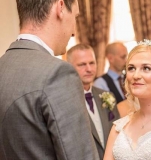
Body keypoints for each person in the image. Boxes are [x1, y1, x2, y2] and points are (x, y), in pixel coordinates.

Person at [0, 0, 99, 160]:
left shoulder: (3, 66)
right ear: (60, 7)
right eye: (75, 16)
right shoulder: (58, 73)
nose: (74, 32)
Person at [67, 43, 119, 159]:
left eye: (92, 63)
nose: (89, 69)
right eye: (82, 64)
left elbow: (118, 133)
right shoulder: (65, 101)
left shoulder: (107, 95)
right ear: (69, 67)